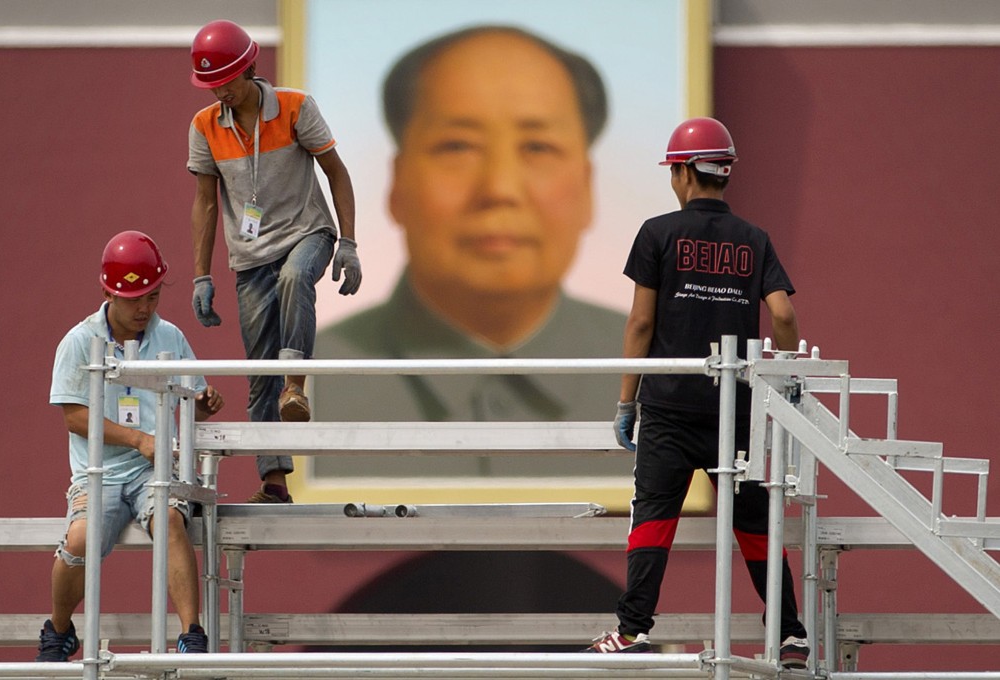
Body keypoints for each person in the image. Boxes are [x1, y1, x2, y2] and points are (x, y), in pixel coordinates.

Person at [312, 25, 625, 432]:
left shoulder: (657, 374)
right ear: (398, 183)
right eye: (457, 146)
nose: (500, 189)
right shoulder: (317, 380)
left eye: (538, 147)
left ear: (587, 187)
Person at [585, 118, 810, 669]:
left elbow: (640, 323)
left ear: (684, 171)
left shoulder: (656, 233)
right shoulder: (755, 239)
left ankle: (632, 630)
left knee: (654, 519)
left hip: (668, 408)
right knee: (756, 525)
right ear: (724, 172)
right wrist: (784, 379)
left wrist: (625, 402)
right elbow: (782, 312)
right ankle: (790, 635)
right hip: (737, 410)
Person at [186, 19, 362, 503]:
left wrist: (347, 242)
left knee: (295, 277)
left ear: (249, 68)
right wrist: (201, 274)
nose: (219, 90)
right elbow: (204, 202)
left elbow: (336, 173)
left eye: (225, 79)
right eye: (210, 83)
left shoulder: (296, 107)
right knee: (258, 368)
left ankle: (297, 386)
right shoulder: (204, 127)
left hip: (309, 233)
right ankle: (274, 480)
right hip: (250, 255)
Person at [37, 231, 225, 661]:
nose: (145, 308)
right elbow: (74, 416)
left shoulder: (171, 337)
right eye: (135, 298)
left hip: (154, 470)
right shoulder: (79, 342)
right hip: (98, 471)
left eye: (153, 297)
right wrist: (139, 439)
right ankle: (59, 631)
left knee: (173, 524)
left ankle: (191, 636)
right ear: (108, 292)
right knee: (80, 539)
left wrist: (204, 400)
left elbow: (194, 395)